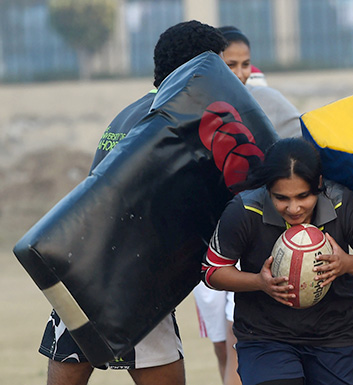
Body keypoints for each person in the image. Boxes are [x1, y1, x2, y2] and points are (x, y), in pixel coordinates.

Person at [38, 20, 228, 385]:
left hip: (81, 268)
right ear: (199, 68)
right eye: (218, 65)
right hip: (129, 281)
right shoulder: (166, 123)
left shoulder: (134, 111)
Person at [201, 137, 353, 385]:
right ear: (267, 189)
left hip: (334, 336)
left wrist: (348, 263)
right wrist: (259, 282)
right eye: (281, 198)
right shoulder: (244, 210)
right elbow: (211, 271)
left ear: (319, 183)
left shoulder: (344, 203)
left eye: (303, 196)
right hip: (265, 336)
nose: (294, 208)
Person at [192, 25, 302, 385]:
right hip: (210, 244)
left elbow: (301, 148)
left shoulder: (266, 104)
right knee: (223, 347)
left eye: (245, 64)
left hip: (252, 239)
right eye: (230, 64)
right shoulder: (189, 110)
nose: (240, 73)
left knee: (240, 343)